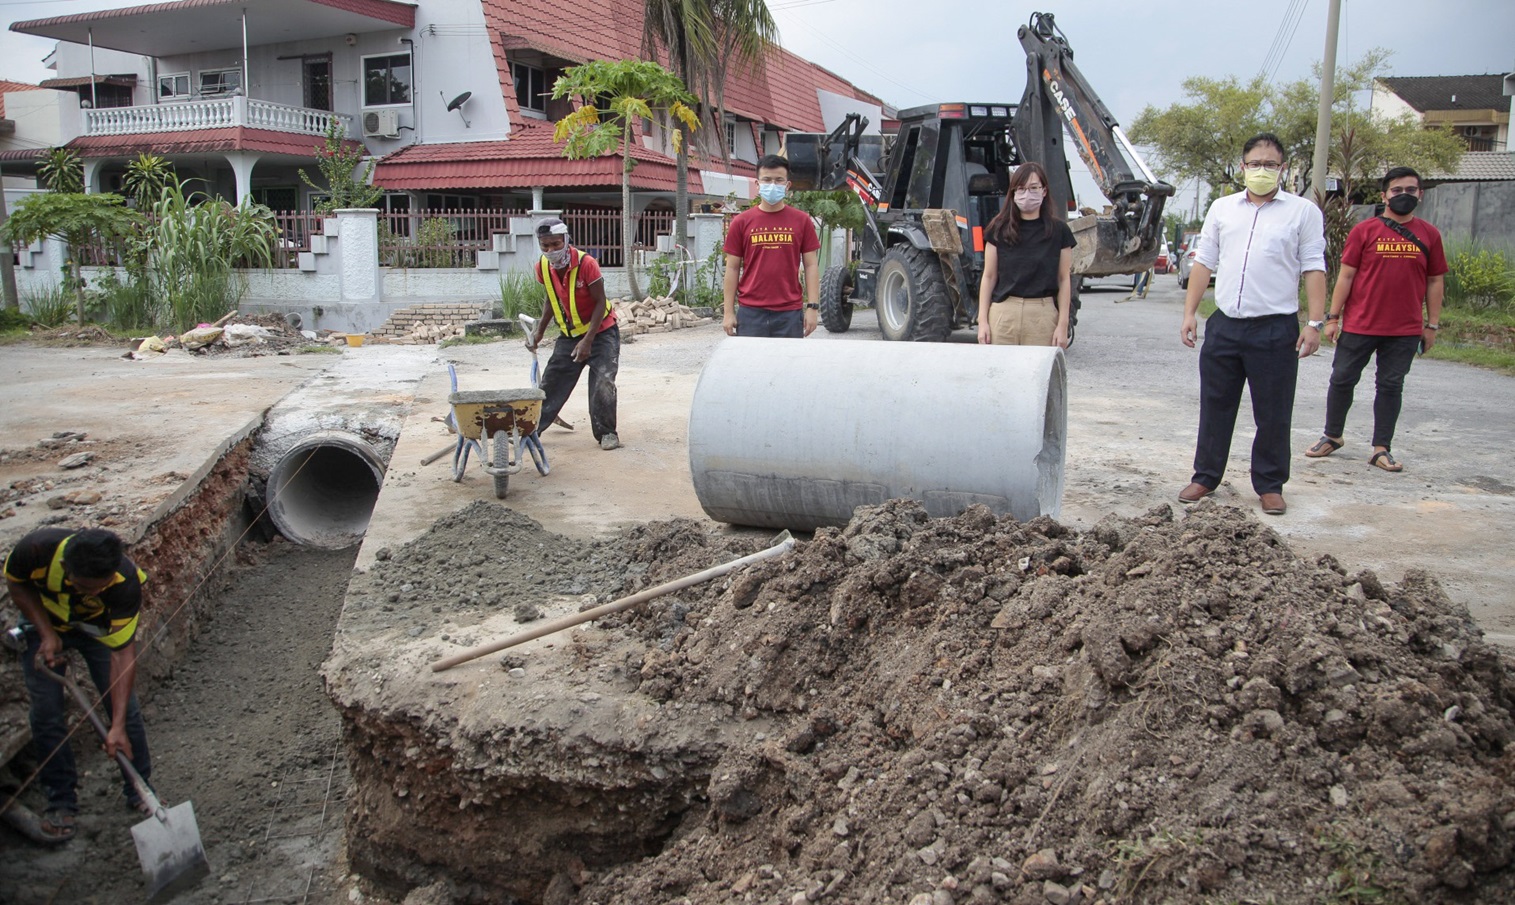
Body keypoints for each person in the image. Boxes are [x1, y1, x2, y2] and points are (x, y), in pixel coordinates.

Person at [1178, 132, 1327, 516]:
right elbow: (1204, 262)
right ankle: (1206, 476)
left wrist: (1314, 322)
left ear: (1283, 168)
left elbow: (1313, 266)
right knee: (1215, 405)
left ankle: (1270, 484)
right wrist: (1189, 313)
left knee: (1274, 410)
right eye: (1255, 163)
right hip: (1226, 324)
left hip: (1275, 328)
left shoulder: (1302, 212)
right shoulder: (1223, 208)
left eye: (1270, 164)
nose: (1262, 170)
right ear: (1242, 167)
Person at [5, 527, 152, 842]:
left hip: (96, 629)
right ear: (67, 571)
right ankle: (61, 801)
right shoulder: (34, 550)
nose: (94, 593)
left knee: (124, 710)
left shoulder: (124, 583)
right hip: (42, 620)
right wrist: (46, 633)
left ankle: (140, 791)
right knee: (46, 712)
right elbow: (17, 584)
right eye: (86, 587)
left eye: (100, 588)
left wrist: (117, 727)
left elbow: (122, 654)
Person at [1306, 166, 1447, 472]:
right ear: (1384, 196)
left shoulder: (1429, 235)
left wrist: (1432, 324)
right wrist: (1333, 318)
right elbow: (1346, 276)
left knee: (1390, 386)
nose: (1404, 196)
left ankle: (1381, 448)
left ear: (1420, 195)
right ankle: (1332, 435)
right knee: (1341, 379)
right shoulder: (1364, 231)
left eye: (1411, 190)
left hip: (1405, 329)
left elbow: (1435, 281)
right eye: (1397, 191)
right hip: (1360, 324)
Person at [526, 217, 621, 451]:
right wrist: (539, 331)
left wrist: (588, 340)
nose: (551, 250)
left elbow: (600, 302)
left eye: (556, 244)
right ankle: (531, 430)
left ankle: (607, 433)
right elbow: (551, 298)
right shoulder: (543, 266)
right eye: (545, 246)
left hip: (602, 333)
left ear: (566, 240)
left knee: (603, 382)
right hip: (569, 335)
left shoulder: (586, 263)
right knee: (552, 381)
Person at [976, 161, 1074, 348]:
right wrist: (983, 322)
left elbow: (1064, 279)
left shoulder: (1059, 231)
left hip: (1042, 316)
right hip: (1004, 315)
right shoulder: (998, 229)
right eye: (1020, 189)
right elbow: (988, 276)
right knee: (1000, 374)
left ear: (1044, 191)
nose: (1027, 194)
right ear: (1013, 193)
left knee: (1039, 376)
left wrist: (1063, 325)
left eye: (1034, 188)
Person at [722, 154, 821, 338]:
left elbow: (811, 265)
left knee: (788, 366)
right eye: (767, 180)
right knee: (751, 367)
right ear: (757, 185)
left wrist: (812, 307)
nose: (773, 185)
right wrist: (728, 312)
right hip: (751, 313)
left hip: (789, 314)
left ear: (787, 185)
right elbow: (732, 267)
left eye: (778, 180)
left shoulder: (802, 221)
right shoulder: (741, 222)